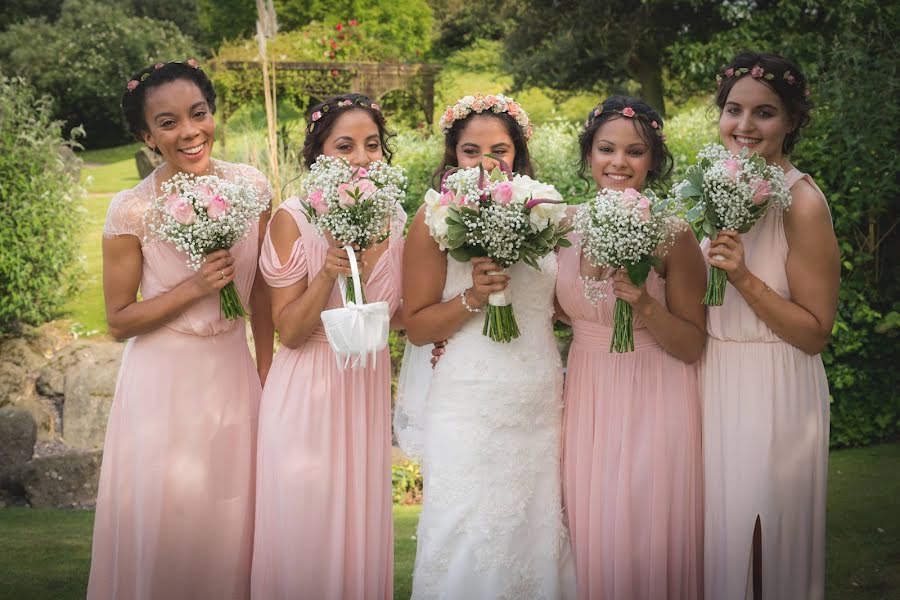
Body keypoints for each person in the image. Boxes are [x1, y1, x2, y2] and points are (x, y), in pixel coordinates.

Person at [87, 59, 273, 600]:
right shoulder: (132, 209)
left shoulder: (251, 186)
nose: (190, 132)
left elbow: (261, 292)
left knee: (234, 512)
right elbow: (119, 320)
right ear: (147, 135)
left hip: (233, 370)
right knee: (170, 516)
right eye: (168, 123)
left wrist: (268, 371)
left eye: (198, 114)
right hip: (163, 381)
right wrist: (193, 288)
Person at [402, 94, 576, 599]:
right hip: (469, 402)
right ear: (453, 156)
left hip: (539, 398)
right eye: (470, 151)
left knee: (535, 535)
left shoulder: (546, 212)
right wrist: (474, 296)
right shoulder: (433, 218)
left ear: (517, 154)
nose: (485, 163)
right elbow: (416, 326)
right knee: (465, 534)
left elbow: (558, 303)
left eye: (499, 150)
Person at [250, 93, 403, 600]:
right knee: (305, 534)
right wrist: (330, 270)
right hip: (307, 391)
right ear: (319, 153)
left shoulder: (397, 218)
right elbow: (289, 331)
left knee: (357, 532)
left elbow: (402, 313)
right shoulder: (291, 218)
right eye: (345, 145)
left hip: (364, 391)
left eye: (372, 144)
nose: (361, 157)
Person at [557, 96, 706, 599]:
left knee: (646, 531)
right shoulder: (561, 228)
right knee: (594, 531)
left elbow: (691, 345)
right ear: (588, 155)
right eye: (606, 149)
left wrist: (643, 304)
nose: (619, 162)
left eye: (635, 151)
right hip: (587, 395)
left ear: (653, 161)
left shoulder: (673, 233)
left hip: (655, 392)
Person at [702, 52, 839, 600]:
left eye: (765, 113)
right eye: (734, 110)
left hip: (775, 384)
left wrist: (744, 280)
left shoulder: (803, 203)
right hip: (715, 377)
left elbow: (814, 331)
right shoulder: (713, 186)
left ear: (792, 122)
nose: (745, 125)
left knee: (763, 542)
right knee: (721, 542)